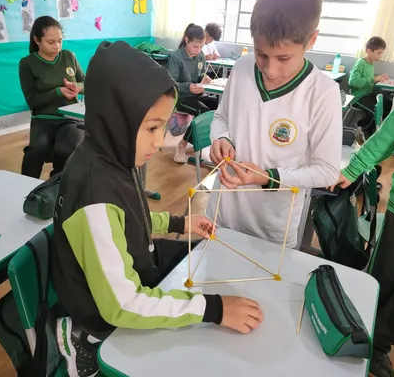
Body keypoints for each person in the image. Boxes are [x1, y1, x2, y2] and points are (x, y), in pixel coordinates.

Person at [51, 41, 264, 377]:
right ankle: (83, 337)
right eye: (151, 128)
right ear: (114, 118)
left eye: (161, 127)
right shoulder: (94, 194)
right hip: (105, 313)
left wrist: (180, 222)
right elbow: (123, 304)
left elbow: (130, 216)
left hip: (133, 270)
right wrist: (214, 309)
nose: (159, 141)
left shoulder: (114, 156)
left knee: (199, 260)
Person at [208, 0, 342, 247]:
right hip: (222, 214)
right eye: (261, 54)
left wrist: (269, 177)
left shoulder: (323, 91)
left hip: (272, 228)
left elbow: (327, 171)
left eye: (283, 58)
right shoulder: (242, 68)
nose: (270, 70)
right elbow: (221, 118)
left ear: (311, 40)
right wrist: (221, 139)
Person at [333, 79, 394, 377]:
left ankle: (376, 345)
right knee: (383, 286)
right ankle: (362, 349)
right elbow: (392, 130)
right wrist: (353, 167)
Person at [18, 16, 84, 178]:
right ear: (37, 40)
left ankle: (57, 188)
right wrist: (58, 92)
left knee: (66, 149)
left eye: (60, 41)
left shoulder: (69, 56)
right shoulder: (27, 63)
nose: (57, 46)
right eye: (51, 42)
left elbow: (85, 83)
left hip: (70, 117)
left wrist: (77, 87)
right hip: (43, 118)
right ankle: (26, 191)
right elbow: (32, 101)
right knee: (36, 151)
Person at [166, 23, 218, 163]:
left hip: (195, 95)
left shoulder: (200, 55)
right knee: (202, 112)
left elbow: (199, 75)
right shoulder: (176, 58)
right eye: (195, 47)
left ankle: (211, 145)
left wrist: (204, 78)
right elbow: (171, 85)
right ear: (187, 40)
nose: (198, 50)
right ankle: (182, 145)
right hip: (180, 98)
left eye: (201, 47)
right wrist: (188, 87)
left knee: (218, 107)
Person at [348, 36, 390, 135]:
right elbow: (353, 81)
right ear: (369, 51)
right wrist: (373, 79)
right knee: (374, 112)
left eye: (381, 53)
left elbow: (366, 77)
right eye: (378, 53)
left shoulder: (370, 63)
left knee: (387, 105)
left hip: (367, 94)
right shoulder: (361, 63)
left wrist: (379, 77)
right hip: (358, 97)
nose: (380, 56)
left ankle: (380, 131)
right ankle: (362, 130)